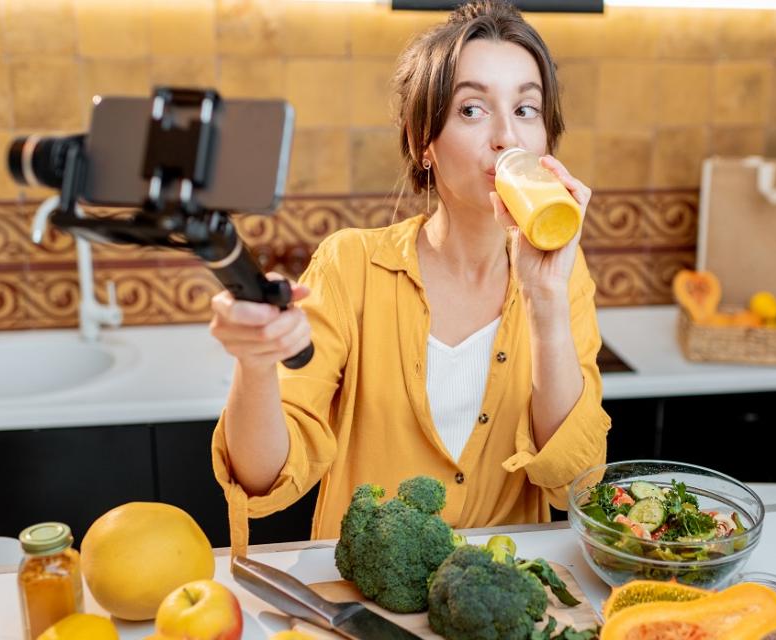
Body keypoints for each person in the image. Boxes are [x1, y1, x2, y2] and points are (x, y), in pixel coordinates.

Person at [209, 0, 611, 555]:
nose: (506, 138)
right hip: (364, 605)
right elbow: (262, 480)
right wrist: (254, 366)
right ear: (424, 142)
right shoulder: (350, 268)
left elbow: (576, 483)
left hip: (501, 599)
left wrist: (544, 304)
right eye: (472, 110)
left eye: (526, 110)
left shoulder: (565, 274)